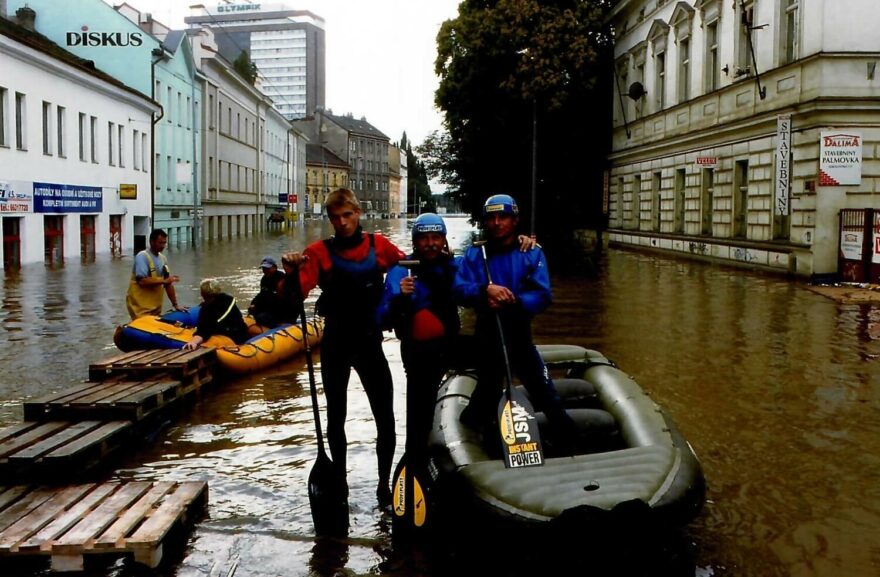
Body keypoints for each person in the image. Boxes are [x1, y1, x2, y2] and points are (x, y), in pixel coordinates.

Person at [283, 188, 404, 509]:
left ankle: (384, 485)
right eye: (335, 217)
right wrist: (291, 271)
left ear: (358, 213)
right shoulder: (319, 252)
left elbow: (414, 265)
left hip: (368, 342)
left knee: (386, 418)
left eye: (347, 215)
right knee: (335, 417)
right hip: (335, 342)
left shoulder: (380, 247)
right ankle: (340, 480)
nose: (342, 222)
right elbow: (294, 296)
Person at [452, 194, 574, 444]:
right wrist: (483, 291)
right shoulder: (476, 254)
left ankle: (569, 442)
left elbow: (543, 294)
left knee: (543, 391)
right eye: (492, 218)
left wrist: (511, 299)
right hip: (487, 332)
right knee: (486, 392)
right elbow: (458, 288)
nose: (497, 223)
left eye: (503, 217)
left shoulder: (531, 253)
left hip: (518, 330)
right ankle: (479, 441)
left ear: (515, 220)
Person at [378, 213, 461, 460]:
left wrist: (525, 242)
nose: (431, 243)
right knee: (418, 415)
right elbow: (381, 318)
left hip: (449, 345)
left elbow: (487, 267)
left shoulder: (455, 266)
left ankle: (472, 422)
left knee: (492, 359)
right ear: (415, 242)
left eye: (436, 237)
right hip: (419, 353)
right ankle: (415, 459)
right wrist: (399, 297)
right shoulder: (401, 271)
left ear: (444, 240)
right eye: (424, 238)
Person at [125, 229, 186, 319]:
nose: (163, 246)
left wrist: (175, 305)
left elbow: (168, 284)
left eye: (164, 243)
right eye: (160, 243)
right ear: (151, 242)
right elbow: (142, 281)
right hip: (140, 308)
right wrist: (164, 281)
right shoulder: (142, 256)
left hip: (155, 307)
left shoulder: (163, 259)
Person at [182, 278, 249, 350]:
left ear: (202, 294)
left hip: (233, 337)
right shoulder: (228, 300)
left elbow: (204, 331)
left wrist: (193, 342)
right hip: (241, 333)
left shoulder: (206, 310)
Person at [248, 256, 287, 327]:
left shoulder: (281, 277)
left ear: (274, 267)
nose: (265, 271)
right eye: (264, 269)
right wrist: (253, 304)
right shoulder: (264, 279)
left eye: (267, 268)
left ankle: (278, 328)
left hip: (281, 308)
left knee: (262, 317)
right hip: (270, 307)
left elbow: (283, 298)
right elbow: (262, 294)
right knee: (253, 311)